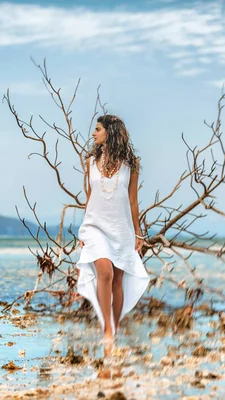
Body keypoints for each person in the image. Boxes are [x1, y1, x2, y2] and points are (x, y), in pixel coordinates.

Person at [76, 114, 151, 359]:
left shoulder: (131, 164)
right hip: (95, 226)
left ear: (110, 132)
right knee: (105, 273)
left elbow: (132, 201)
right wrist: (83, 230)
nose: (93, 133)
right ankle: (106, 327)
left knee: (118, 280)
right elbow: (90, 196)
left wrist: (138, 233)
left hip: (121, 228)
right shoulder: (90, 162)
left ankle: (114, 328)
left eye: (97, 129)